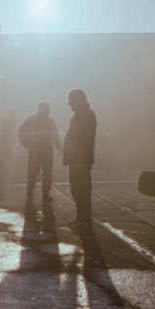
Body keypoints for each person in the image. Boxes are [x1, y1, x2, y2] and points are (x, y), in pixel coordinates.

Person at [62, 89, 97, 230]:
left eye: (71, 101)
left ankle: (84, 220)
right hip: (77, 159)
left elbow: (83, 139)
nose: (69, 104)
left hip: (80, 159)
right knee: (77, 190)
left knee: (81, 190)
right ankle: (81, 219)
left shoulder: (86, 116)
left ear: (78, 100)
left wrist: (73, 154)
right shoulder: (82, 115)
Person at [18, 102, 61, 204]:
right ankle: (41, 193)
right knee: (42, 173)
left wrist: (27, 143)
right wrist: (61, 149)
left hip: (38, 151)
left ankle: (32, 192)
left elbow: (21, 132)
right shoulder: (48, 121)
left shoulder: (33, 120)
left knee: (37, 173)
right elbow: (55, 137)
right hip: (42, 151)